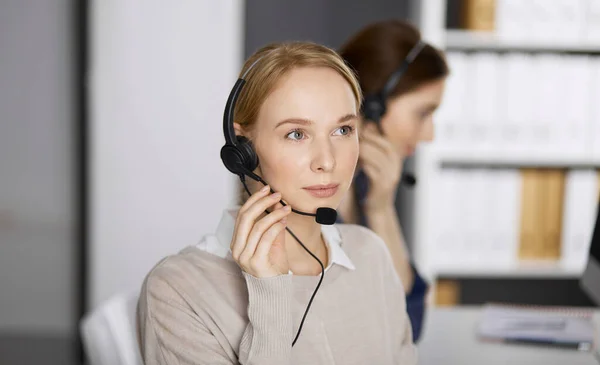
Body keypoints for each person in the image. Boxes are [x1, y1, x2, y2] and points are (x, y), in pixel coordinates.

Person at [136, 41, 417, 365]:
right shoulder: (178, 290)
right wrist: (269, 293)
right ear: (243, 150)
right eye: (296, 134)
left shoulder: (370, 255)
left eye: (343, 129)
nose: (327, 161)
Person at [337, 20, 450, 341]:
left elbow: (408, 322)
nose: (429, 134)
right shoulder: (308, 195)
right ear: (373, 105)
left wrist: (381, 206)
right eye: (423, 113)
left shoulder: (363, 186)